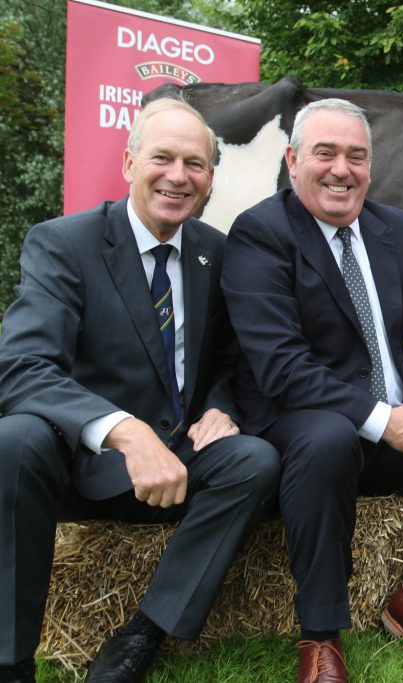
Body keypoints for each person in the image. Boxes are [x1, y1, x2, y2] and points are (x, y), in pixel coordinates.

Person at [221, 98, 403, 683]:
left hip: (393, 423)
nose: (341, 169)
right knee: (329, 435)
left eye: (356, 156)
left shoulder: (396, 228)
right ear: (293, 160)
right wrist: (384, 420)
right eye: (325, 154)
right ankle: (321, 637)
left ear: (371, 169)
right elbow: (281, 367)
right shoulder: (260, 233)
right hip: (305, 428)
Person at [0, 98, 280, 683]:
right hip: (84, 460)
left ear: (209, 179)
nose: (178, 176)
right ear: (129, 162)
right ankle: (11, 658)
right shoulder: (63, 244)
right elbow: (21, 365)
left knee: (254, 458)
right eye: (163, 158)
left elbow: (234, 361)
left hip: (181, 459)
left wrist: (223, 407)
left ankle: (142, 636)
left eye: (195, 164)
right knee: (15, 439)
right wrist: (124, 431)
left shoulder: (215, 252)